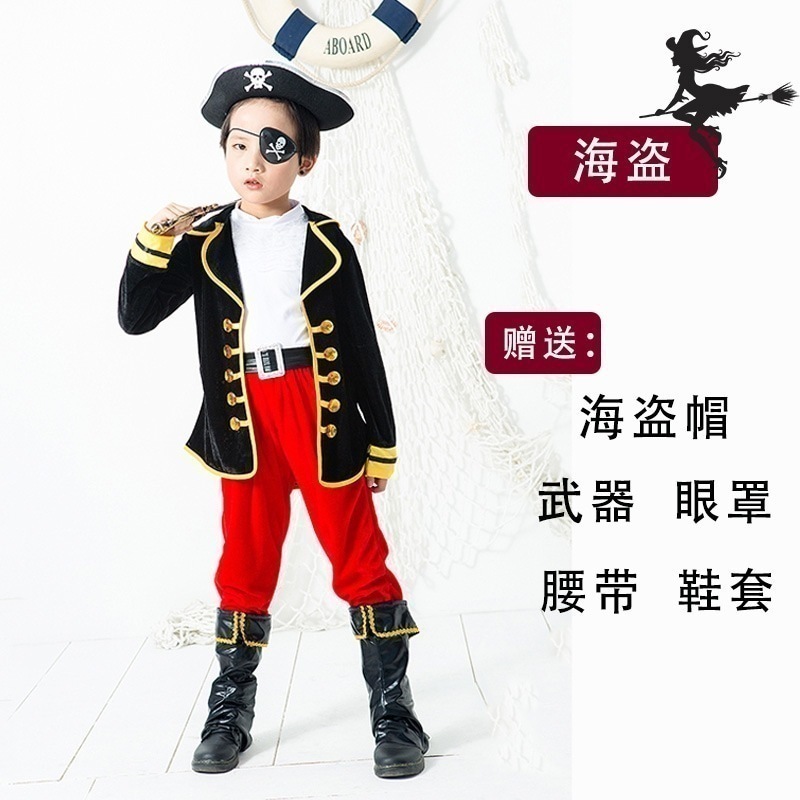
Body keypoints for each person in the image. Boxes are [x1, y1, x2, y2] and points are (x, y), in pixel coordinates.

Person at [117, 61, 429, 779]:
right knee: (245, 562)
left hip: (321, 415)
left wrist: (380, 442)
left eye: (273, 146)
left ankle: (394, 711)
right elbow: (135, 317)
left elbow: (363, 346)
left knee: (359, 556)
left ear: (305, 160)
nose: (253, 161)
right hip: (242, 418)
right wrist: (154, 240)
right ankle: (230, 710)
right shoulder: (203, 240)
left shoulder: (327, 241)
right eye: (238, 144)